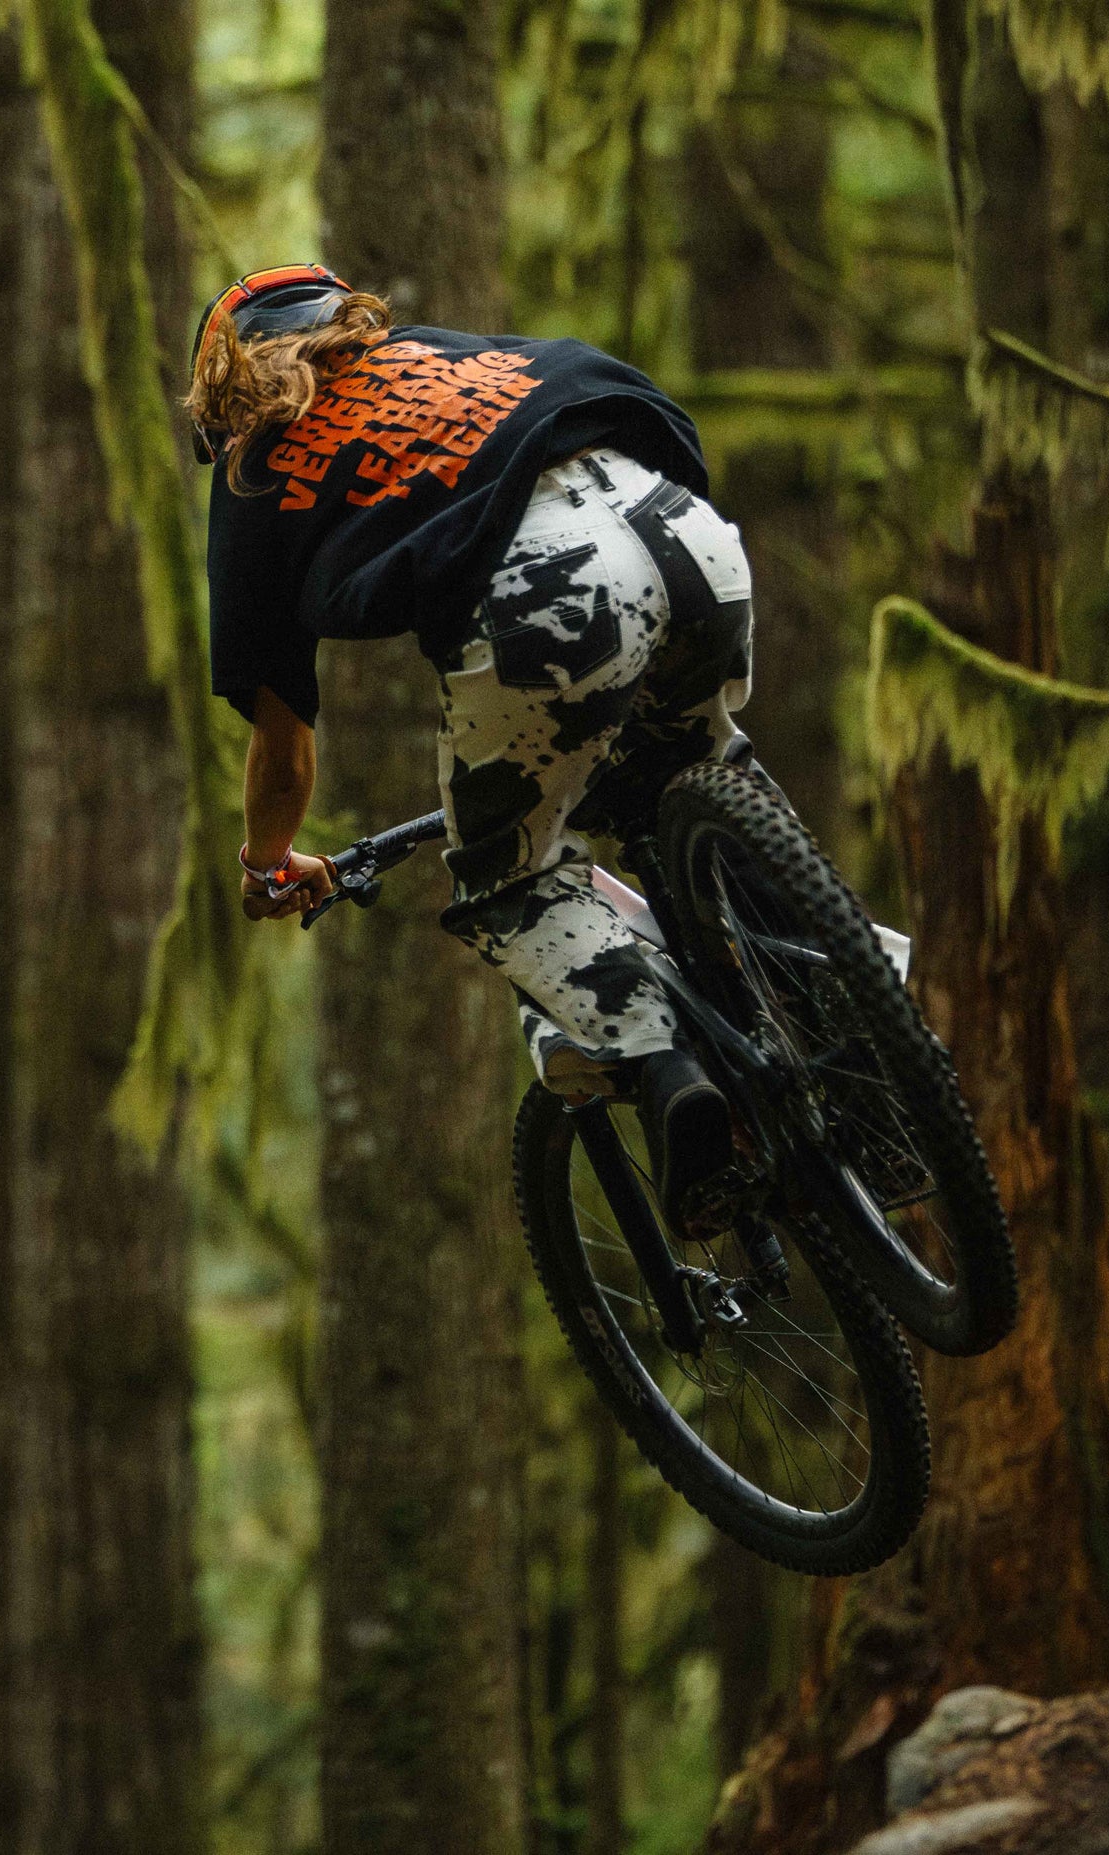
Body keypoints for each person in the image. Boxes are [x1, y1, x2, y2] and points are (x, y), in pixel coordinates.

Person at [190, 263, 755, 1236]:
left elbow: (282, 753)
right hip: (687, 530)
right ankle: (847, 993)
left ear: (221, 396)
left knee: (510, 883)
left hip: (550, 593)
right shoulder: (449, 352)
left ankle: (670, 1074)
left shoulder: (254, 470)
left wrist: (266, 864)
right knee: (704, 771)